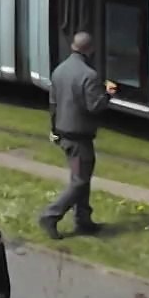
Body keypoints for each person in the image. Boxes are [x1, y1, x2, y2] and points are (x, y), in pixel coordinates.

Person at [38, 31, 115, 239]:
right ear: (90, 49)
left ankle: (83, 220)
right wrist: (108, 93)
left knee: (81, 177)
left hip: (63, 133)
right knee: (80, 181)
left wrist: (53, 130)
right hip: (79, 136)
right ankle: (51, 215)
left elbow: (53, 104)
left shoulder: (59, 71)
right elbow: (94, 106)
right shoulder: (89, 76)